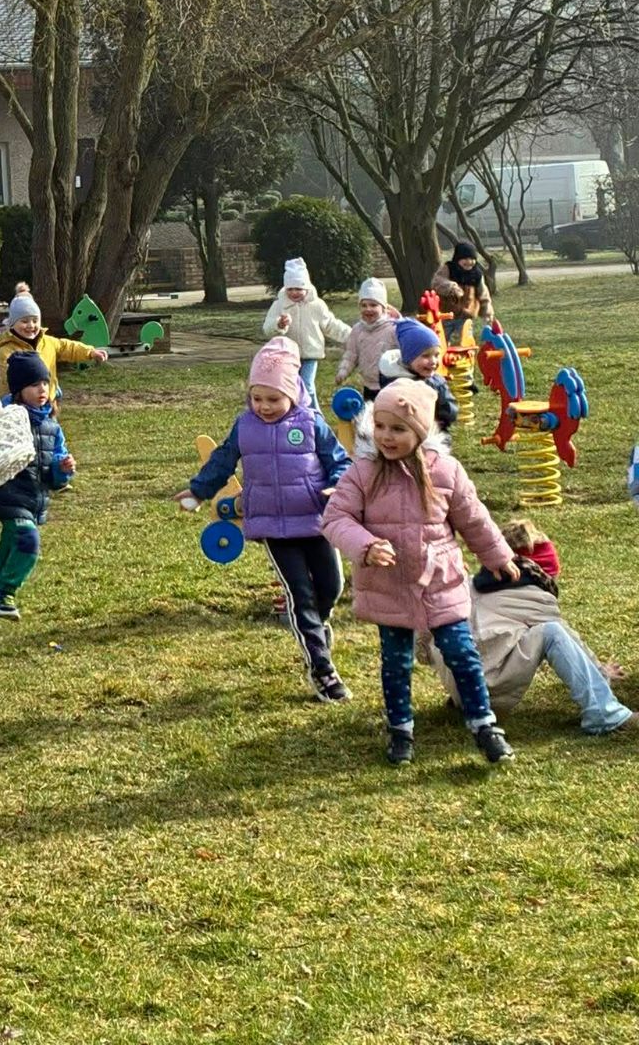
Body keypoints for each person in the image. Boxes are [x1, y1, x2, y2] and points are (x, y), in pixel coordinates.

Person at [321, 382, 518, 765]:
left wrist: (497, 556)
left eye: (398, 429)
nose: (386, 437)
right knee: (396, 660)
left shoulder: (446, 471)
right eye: (380, 426)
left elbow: (473, 518)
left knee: (461, 651)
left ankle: (484, 723)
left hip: (439, 580)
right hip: (388, 583)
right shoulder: (363, 472)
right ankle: (401, 729)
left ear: (421, 432)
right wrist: (365, 545)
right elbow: (336, 518)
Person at [174, 336, 353, 703]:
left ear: (293, 393)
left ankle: (320, 626)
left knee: (331, 587)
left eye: (273, 399)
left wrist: (338, 487)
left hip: (316, 520)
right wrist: (198, 491)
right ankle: (322, 669)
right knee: (299, 596)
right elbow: (223, 460)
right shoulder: (245, 426)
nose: (264, 406)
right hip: (272, 525)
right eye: (257, 398)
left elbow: (339, 460)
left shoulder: (311, 422)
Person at [421, 525, 631, 735]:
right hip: (488, 688)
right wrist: (601, 672)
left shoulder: (465, 585)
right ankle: (604, 713)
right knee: (552, 632)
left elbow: (424, 635)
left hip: (461, 684)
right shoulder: (535, 597)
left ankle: (462, 700)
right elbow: (569, 639)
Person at [0, 351, 74, 621]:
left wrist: (62, 469)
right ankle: (5, 595)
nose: (42, 389)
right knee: (28, 542)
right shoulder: (7, 421)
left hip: (33, 497)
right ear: (18, 391)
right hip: (8, 495)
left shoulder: (52, 426)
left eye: (45, 383)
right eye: (33, 384)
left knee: (8, 550)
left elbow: (55, 476)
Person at [0, 283, 108, 399]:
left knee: (50, 419)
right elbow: (9, 379)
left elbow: (68, 347)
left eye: (35, 321)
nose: (31, 325)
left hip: (47, 400)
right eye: (24, 321)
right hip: (21, 403)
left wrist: (90, 352)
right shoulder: (8, 350)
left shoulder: (48, 342)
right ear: (12, 324)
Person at [262, 258, 350, 410]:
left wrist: (352, 336)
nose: (294, 293)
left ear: (307, 287)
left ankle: (314, 418)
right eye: (290, 289)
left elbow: (331, 325)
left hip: (310, 354)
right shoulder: (279, 305)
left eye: (298, 288)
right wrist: (279, 324)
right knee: (291, 387)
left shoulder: (317, 305)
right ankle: (299, 415)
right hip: (287, 355)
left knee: (306, 385)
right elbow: (267, 328)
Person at [378, 318, 459, 433]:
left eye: (436, 355)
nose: (433, 361)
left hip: (420, 434)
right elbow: (449, 413)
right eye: (425, 356)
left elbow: (449, 412)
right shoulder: (394, 382)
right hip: (419, 434)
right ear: (408, 358)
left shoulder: (436, 382)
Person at [335, 277, 401, 400]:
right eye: (364, 305)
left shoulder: (393, 329)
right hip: (368, 385)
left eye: (373, 305)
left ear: (384, 308)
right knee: (370, 417)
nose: (368, 309)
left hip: (391, 384)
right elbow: (351, 354)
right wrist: (343, 371)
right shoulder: (357, 330)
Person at [432, 242, 494, 346]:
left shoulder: (477, 274)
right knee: (441, 339)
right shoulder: (448, 268)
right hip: (447, 315)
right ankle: (441, 356)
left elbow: (483, 294)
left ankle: (468, 356)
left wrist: (487, 313)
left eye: (472, 259)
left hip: (466, 315)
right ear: (457, 259)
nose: (469, 262)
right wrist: (451, 287)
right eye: (465, 259)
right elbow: (437, 282)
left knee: (467, 338)